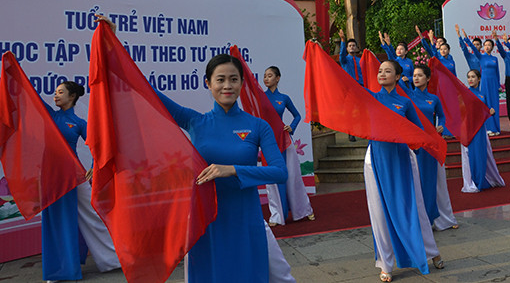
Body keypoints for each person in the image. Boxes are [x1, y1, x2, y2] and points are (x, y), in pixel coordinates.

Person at [154, 54, 289, 283]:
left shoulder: (258, 126)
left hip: (245, 217)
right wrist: (113, 48)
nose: (227, 85)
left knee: (248, 275)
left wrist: (233, 169)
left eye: (234, 79)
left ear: (241, 83)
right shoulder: (195, 121)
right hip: (206, 220)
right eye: (220, 79)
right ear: (208, 83)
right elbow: (147, 93)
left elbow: (280, 172)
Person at [365, 60, 443, 282]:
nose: (382, 74)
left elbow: (418, 130)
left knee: (413, 209)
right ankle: (385, 263)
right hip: (376, 159)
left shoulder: (404, 103)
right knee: (379, 213)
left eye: (387, 71)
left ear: (398, 76)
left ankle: (430, 252)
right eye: (380, 71)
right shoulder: (371, 97)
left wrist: (423, 147)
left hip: (401, 159)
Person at [41, 81, 121, 282]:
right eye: (55, 92)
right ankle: (59, 268)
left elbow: (96, 145)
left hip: (74, 175)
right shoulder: (50, 115)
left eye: (61, 92)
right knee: (56, 221)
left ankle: (113, 259)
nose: (55, 96)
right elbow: (29, 93)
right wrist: (13, 67)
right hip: (53, 177)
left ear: (72, 96)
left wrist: (94, 166)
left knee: (93, 215)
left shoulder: (78, 122)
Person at [263, 66, 315, 226]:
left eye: (270, 75)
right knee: (272, 178)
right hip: (268, 142)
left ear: (278, 78)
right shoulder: (261, 98)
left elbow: (297, 115)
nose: (266, 78)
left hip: (285, 141)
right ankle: (277, 214)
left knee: (293, 176)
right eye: (265, 76)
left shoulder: (283, 98)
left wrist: (291, 126)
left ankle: (304, 210)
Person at [408, 65, 458, 230]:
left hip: (430, 145)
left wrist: (441, 126)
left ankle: (429, 218)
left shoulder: (433, 99)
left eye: (420, 75)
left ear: (428, 78)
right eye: (414, 75)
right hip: (414, 144)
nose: (416, 78)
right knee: (416, 180)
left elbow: (442, 116)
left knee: (429, 181)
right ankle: (416, 220)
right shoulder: (408, 96)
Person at [461, 69, 505, 193]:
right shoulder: (465, 93)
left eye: (473, 77)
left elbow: (484, 111)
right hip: (470, 129)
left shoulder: (482, 95)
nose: (470, 79)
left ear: (479, 79)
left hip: (480, 130)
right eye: (468, 77)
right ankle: (473, 181)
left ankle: (482, 180)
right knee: (472, 155)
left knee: (481, 155)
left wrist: (490, 111)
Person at [459, 27, 502, 134]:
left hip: (493, 83)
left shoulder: (495, 59)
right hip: (485, 82)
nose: (487, 47)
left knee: (495, 104)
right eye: (486, 45)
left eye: (489, 45)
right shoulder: (481, 56)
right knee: (486, 104)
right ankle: (488, 127)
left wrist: (498, 85)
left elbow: (497, 72)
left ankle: (496, 127)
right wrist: (465, 38)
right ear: (484, 47)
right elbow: (473, 48)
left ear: (492, 47)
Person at [338, 29, 362, 141]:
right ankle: (351, 133)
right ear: (347, 48)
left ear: (357, 48)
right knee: (350, 111)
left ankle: (363, 131)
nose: (352, 47)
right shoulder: (345, 60)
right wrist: (343, 40)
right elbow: (341, 55)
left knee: (362, 110)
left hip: (361, 87)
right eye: (350, 45)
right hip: (349, 88)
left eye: (354, 45)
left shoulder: (360, 60)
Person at [497, 35, 510, 126]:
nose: (509, 44)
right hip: (509, 80)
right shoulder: (506, 55)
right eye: (508, 43)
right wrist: (497, 40)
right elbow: (501, 49)